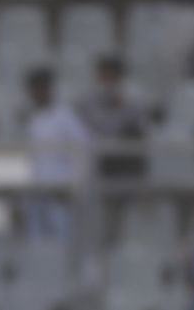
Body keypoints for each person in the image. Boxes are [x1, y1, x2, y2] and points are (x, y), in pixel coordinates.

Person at [24, 67, 89, 240]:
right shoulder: (33, 119)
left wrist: (75, 183)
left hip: (60, 191)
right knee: (36, 240)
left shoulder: (65, 117)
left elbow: (81, 150)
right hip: (37, 190)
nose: (38, 93)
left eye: (42, 88)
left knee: (62, 238)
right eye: (35, 89)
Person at [77, 56, 148, 178]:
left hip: (124, 157)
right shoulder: (87, 101)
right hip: (97, 155)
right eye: (102, 76)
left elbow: (141, 131)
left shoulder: (134, 100)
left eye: (109, 76)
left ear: (118, 77)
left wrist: (121, 107)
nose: (105, 81)